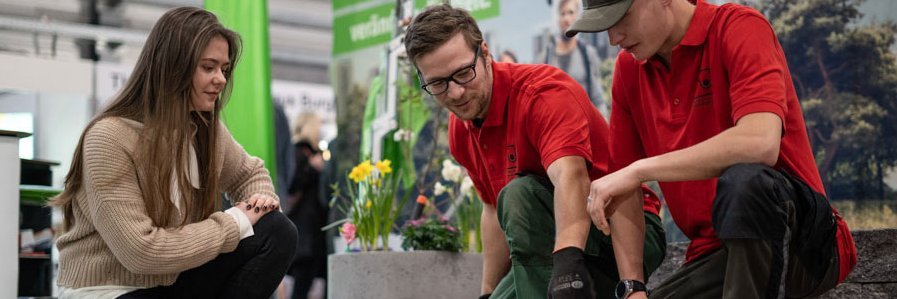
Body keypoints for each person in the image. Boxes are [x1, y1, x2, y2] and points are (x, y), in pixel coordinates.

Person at [565, 0, 857, 298]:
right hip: (716, 254)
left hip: (806, 246)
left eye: (622, 18)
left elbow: (760, 143)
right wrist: (632, 288)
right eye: (606, 27)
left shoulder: (739, 27)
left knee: (746, 181)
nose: (614, 38)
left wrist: (639, 169)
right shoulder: (629, 69)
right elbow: (623, 193)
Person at [404, 4, 666, 298]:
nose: (455, 93)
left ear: (486, 53)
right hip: (545, 245)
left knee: (520, 194)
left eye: (464, 73)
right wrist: (487, 292)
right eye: (438, 84)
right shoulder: (460, 128)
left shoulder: (542, 94)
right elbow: (491, 209)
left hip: (624, 234)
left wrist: (567, 267)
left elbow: (570, 176)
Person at [51, 7, 297, 299]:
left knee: (277, 230)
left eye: (224, 69)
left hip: (174, 283)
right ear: (173, 67)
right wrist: (234, 222)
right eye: (208, 67)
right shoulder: (109, 137)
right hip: (111, 290)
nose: (220, 79)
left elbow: (250, 173)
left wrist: (259, 204)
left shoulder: (206, 129)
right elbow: (142, 252)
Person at [535, 0, 608, 117]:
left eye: (570, 12)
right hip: (555, 128)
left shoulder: (588, 54)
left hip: (584, 128)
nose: (566, 19)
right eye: (562, 14)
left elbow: (597, 98)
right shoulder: (544, 59)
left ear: (577, 16)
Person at [286, 113, 328, 299]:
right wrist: (312, 168)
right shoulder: (299, 151)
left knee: (306, 283)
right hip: (305, 232)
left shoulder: (312, 152)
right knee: (302, 286)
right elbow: (291, 185)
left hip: (311, 231)